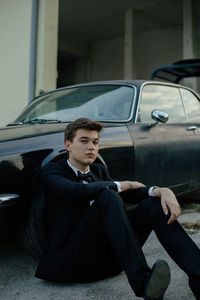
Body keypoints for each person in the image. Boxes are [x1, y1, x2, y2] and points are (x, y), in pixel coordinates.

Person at [35, 118, 200, 300]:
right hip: (72, 265)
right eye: (84, 141)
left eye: (95, 142)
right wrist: (120, 185)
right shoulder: (51, 172)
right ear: (68, 145)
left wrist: (161, 191)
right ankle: (144, 282)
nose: (91, 147)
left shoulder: (98, 171)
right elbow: (78, 190)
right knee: (109, 196)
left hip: (108, 263)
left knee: (153, 204)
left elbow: (131, 193)